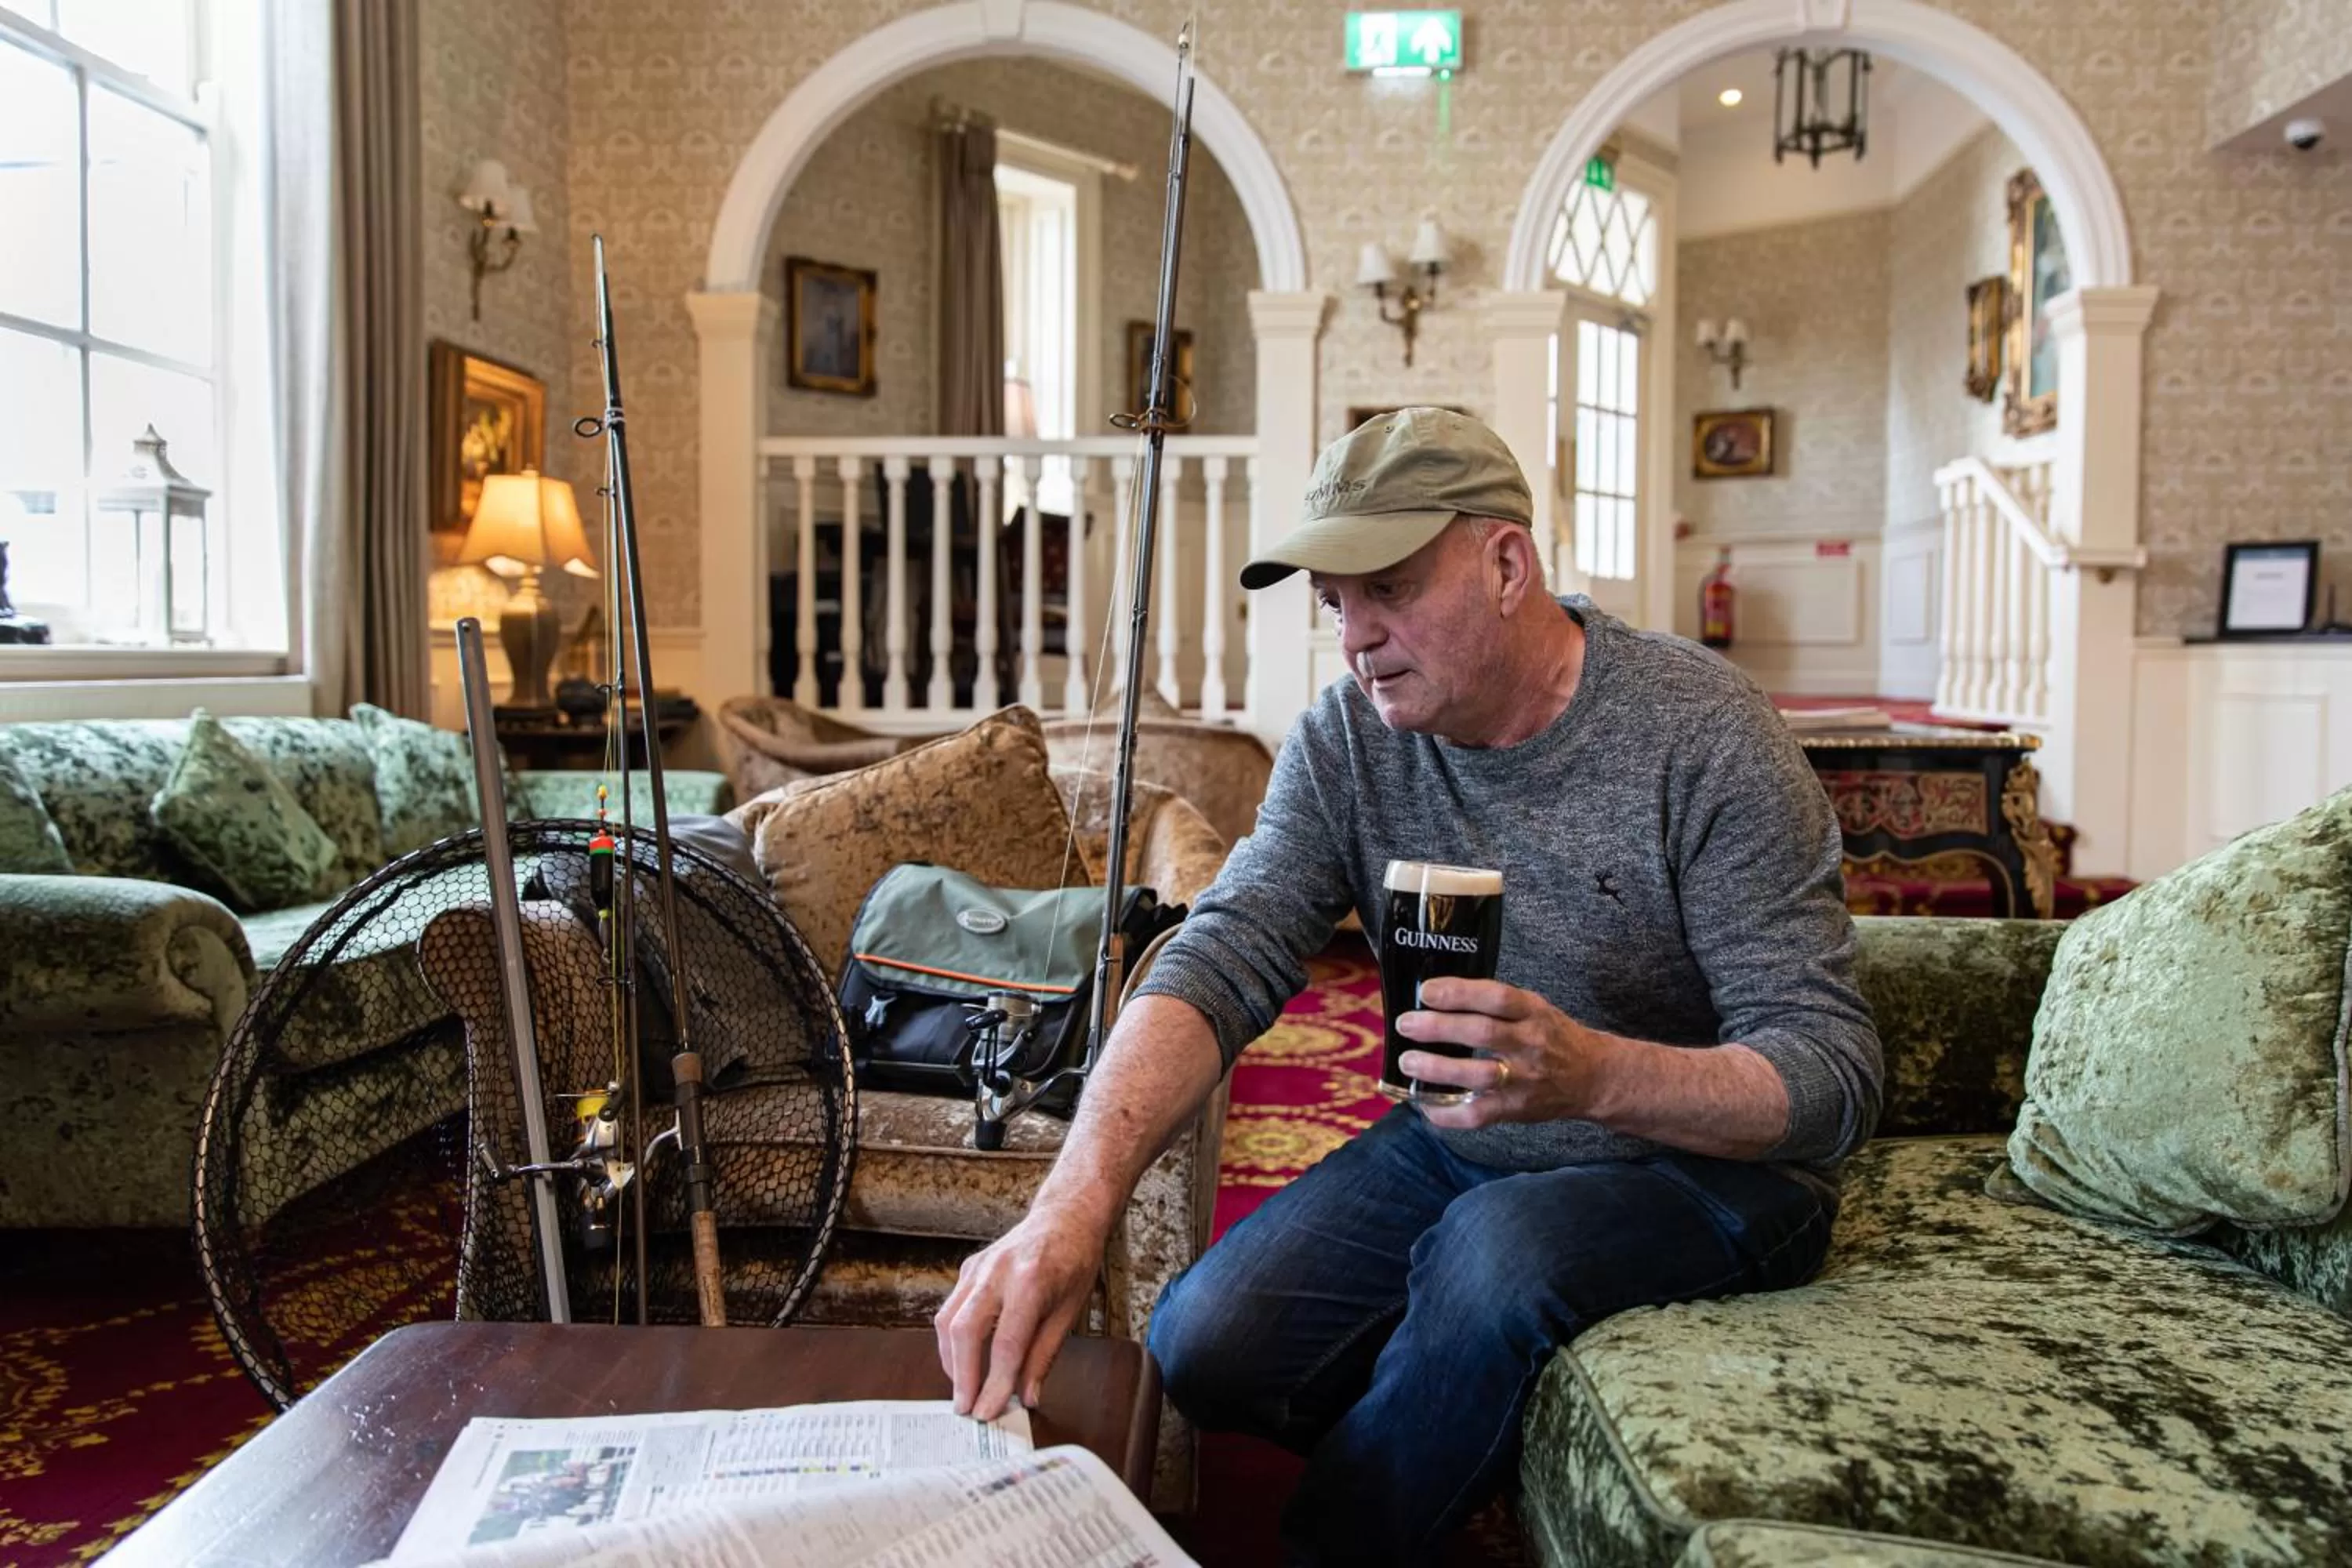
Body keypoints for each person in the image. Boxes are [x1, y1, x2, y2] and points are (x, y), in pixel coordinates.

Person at [932, 407, 1882, 1563]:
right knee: (1206, 1345)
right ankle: (1467, 1415)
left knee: (1494, 1258)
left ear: (1507, 565)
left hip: (1710, 1172)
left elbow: (1831, 1078)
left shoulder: (1703, 733)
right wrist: (1068, 1211)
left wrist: (1591, 1075)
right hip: (1461, 1141)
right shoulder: (1349, 739)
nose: (1357, 638)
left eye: (1388, 588)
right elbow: (1223, 953)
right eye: (1334, 603)